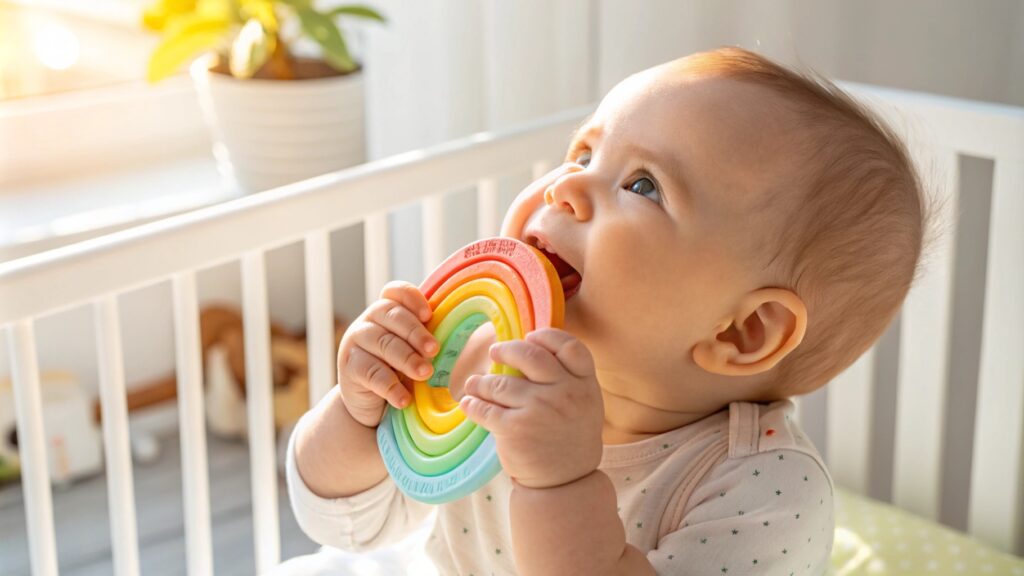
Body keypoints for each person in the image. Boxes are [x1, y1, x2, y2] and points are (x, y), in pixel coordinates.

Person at [286, 46, 930, 575]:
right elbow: (346, 525)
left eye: (642, 185)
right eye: (584, 154)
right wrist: (357, 412)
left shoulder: (765, 489)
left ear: (743, 330)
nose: (563, 187)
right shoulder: (483, 359)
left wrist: (558, 484)